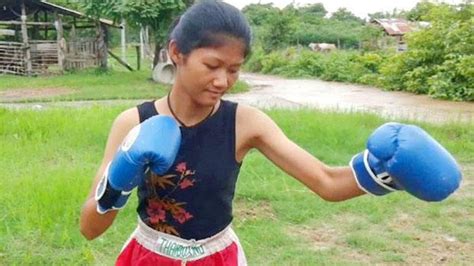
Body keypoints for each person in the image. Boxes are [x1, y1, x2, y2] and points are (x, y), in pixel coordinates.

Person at [79, 1, 462, 265]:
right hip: (148, 257)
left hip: (218, 258)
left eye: (234, 69)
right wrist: (119, 180)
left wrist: (388, 172)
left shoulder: (245, 123)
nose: (222, 80)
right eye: (212, 65)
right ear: (177, 52)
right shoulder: (133, 123)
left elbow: (327, 183)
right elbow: (90, 229)